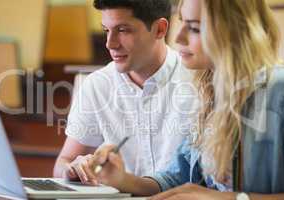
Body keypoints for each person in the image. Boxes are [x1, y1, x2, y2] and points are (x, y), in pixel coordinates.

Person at [77, 0, 284, 199]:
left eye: (193, 27)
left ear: (233, 30)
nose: (178, 37)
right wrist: (123, 180)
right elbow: (177, 177)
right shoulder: (210, 93)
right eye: (182, 22)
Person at [53, 0, 198, 184]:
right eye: (106, 30)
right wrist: (72, 169)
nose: (110, 44)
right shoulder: (97, 86)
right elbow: (63, 162)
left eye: (123, 30)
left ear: (160, 29)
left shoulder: (198, 80)